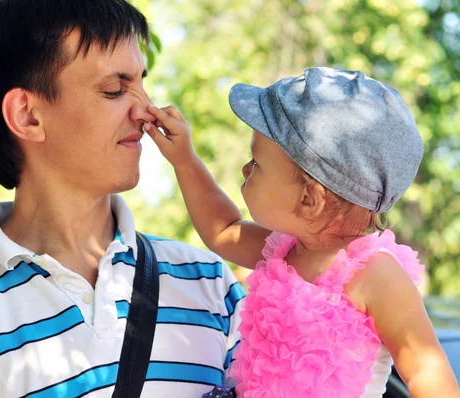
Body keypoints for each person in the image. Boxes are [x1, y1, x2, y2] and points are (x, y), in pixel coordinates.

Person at [0, 1, 244, 396]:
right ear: (27, 115)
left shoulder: (210, 284)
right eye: (115, 89)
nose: (146, 110)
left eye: (141, 82)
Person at [145, 67, 460, 397]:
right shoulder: (282, 251)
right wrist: (184, 161)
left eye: (257, 163)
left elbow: (425, 367)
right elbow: (223, 230)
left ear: (310, 199)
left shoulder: (377, 275)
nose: (245, 169)